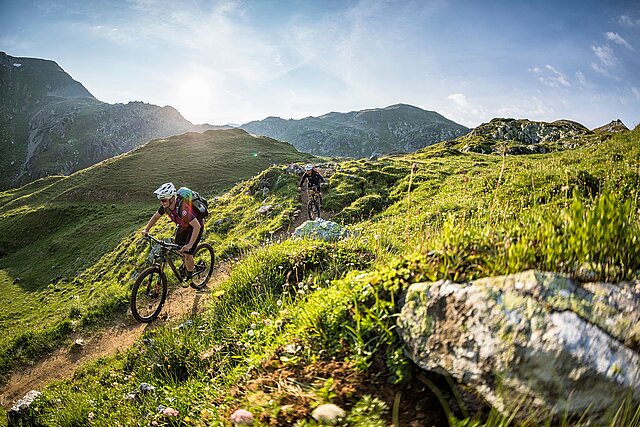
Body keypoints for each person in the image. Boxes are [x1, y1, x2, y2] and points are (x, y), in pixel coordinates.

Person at [142, 182, 204, 285]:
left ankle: (189, 276)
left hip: (195, 228)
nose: (162, 203)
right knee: (179, 249)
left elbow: (197, 226)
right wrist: (146, 229)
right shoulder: (166, 207)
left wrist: (189, 245)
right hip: (184, 227)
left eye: (164, 200)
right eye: (161, 200)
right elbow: (156, 217)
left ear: (172, 198)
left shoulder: (183, 209)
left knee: (188, 253)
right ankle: (187, 263)